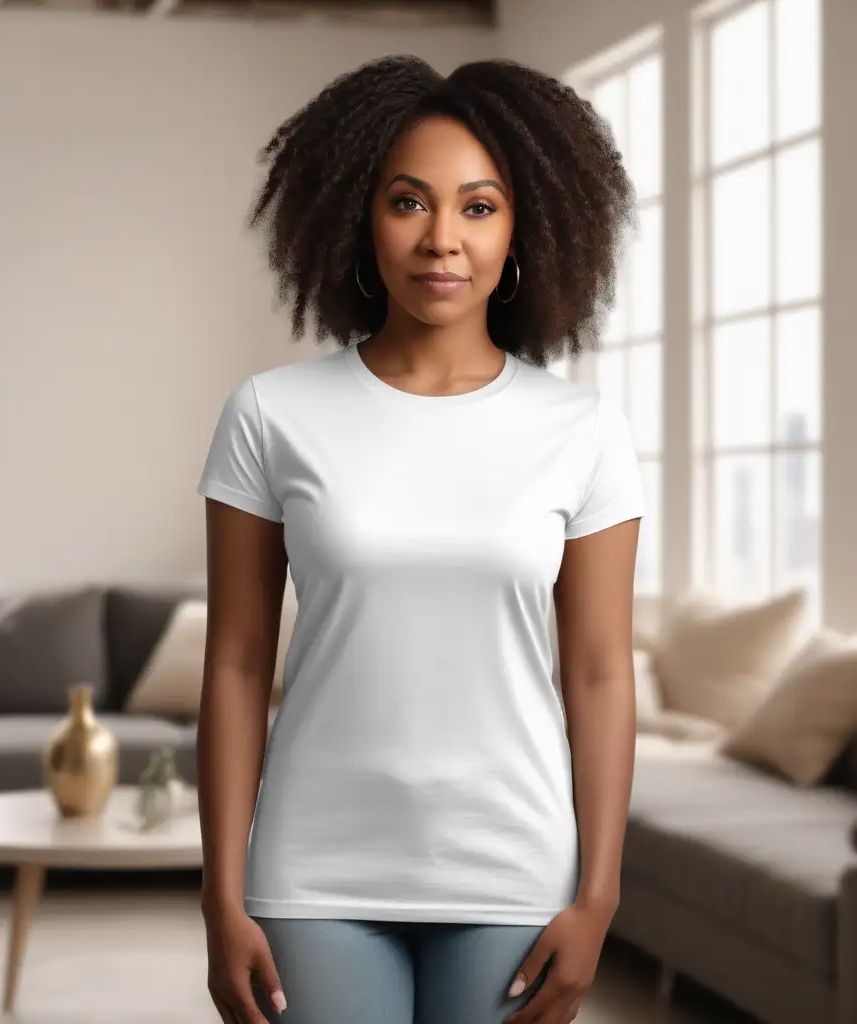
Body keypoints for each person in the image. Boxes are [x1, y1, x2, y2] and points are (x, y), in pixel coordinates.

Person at [195, 54, 643, 1024]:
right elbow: (234, 662)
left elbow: (602, 671)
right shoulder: (271, 414)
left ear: (527, 226)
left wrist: (597, 895)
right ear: (359, 215)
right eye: (408, 202)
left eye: (478, 207)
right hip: (313, 875)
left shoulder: (584, 431)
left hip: (515, 872)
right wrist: (220, 895)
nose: (442, 239)